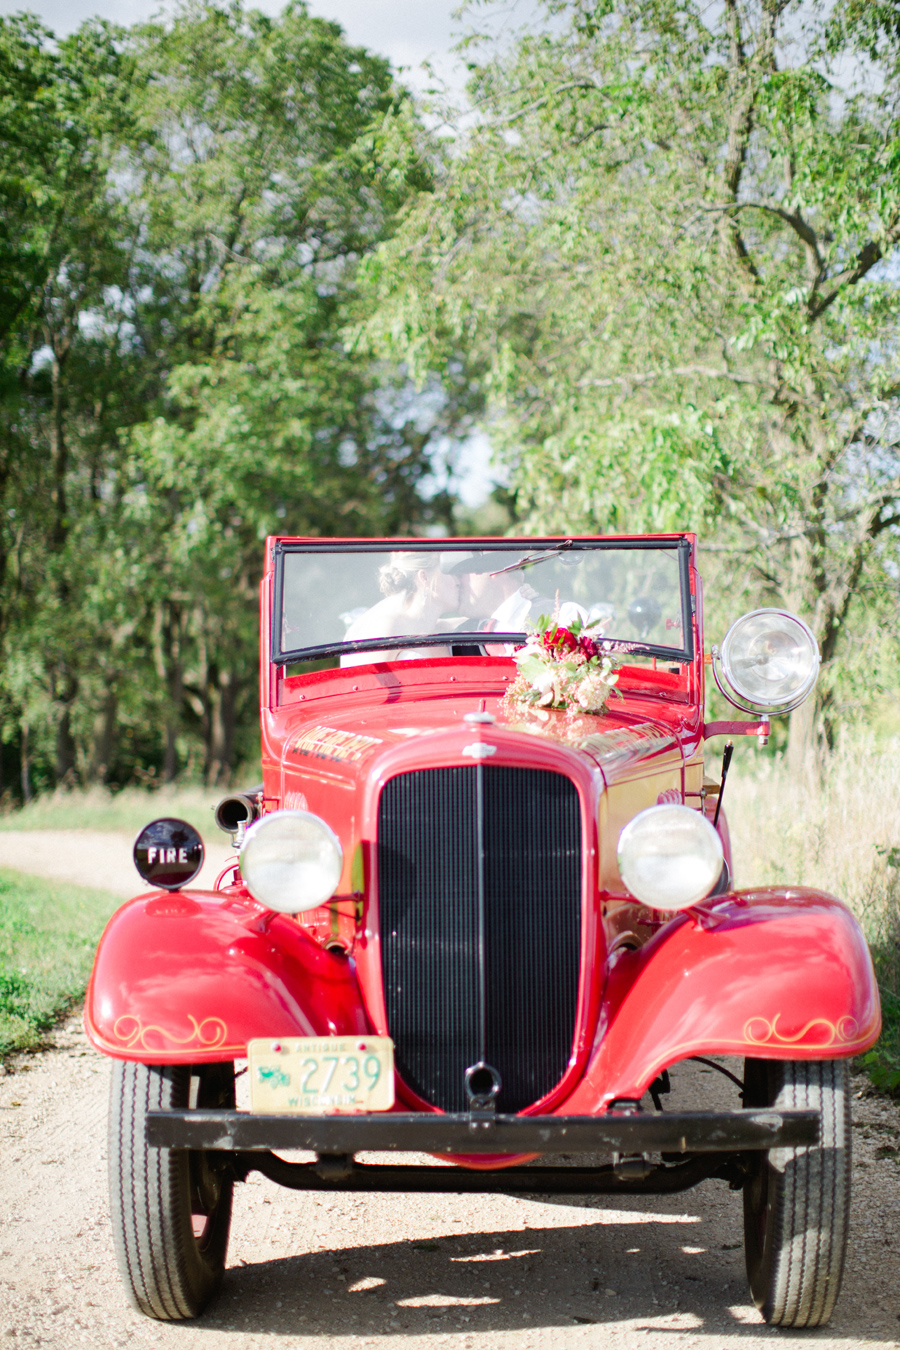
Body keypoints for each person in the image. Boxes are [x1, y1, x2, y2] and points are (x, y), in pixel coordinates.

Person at [340, 552, 460, 666]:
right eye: (449, 572)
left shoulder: (441, 628)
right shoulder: (390, 626)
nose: (458, 581)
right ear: (424, 577)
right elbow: (366, 684)